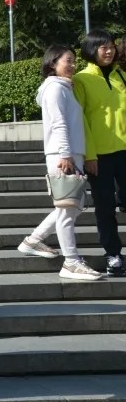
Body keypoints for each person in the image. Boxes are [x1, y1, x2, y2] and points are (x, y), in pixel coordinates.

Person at [17, 46, 103, 280]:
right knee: (68, 210)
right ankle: (71, 262)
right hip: (63, 155)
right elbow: (58, 124)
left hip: (71, 154)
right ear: (53, 63)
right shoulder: (54, 89)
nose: (73, 65)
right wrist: (66, 154)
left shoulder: (62, 88)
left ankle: (33, 240)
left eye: (74, 61)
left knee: (70, 206)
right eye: (68, 60)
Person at [73, 29, 126, 276]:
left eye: (112, 47)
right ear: (91, 50)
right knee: (105, 208)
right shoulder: (81, 79)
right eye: (104, 47)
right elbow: (81, 120)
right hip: (100, 156)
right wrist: (90, 155)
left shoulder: (120, 76)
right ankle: (113, 254)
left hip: (124, 151)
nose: (109, 51)